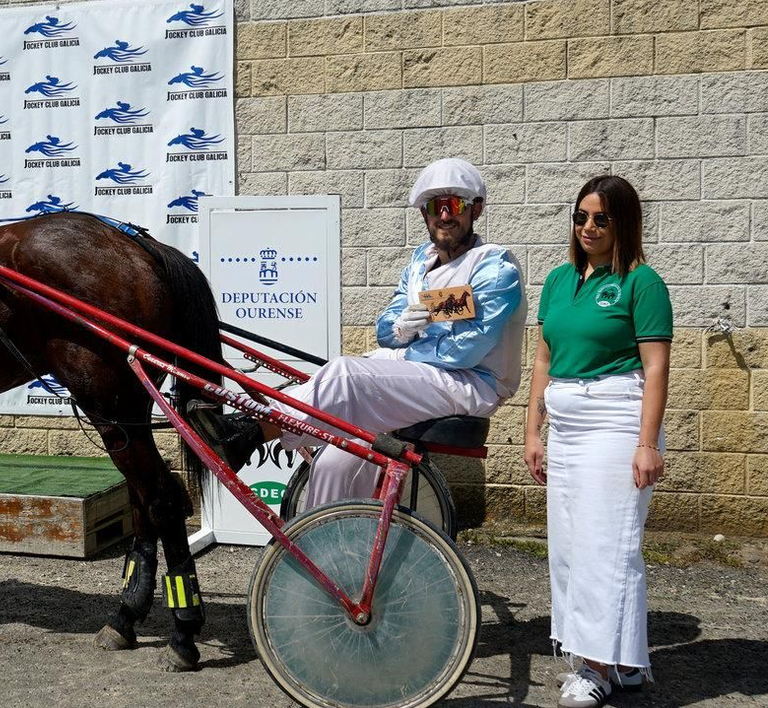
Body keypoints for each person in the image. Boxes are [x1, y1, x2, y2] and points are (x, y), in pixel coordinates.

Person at [196, 158, 526, 508]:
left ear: (476, 209)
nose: (444, 216)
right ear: (423, 214)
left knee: (346, 373)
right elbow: (385, 327)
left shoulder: (495, 267)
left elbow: (465, 353)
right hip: (424, 374)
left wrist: (406, 347)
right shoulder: (420, 261)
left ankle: (249, 432)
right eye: (434, 206)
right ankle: (316, 545)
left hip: (473, 382)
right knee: (334, 462)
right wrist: (400, 330)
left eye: (455, 205)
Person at [524, 175, 672, 708]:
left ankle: (597, 669)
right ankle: (623, 661)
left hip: (615, 421)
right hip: (565, 422)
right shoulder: (560, 281)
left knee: (606, 547)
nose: (588, 227)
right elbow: (543, 359)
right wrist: (533, 430)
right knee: (567, 548)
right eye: (581, 216)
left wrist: (646, 443)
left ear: (623, 224)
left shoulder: (642, 282)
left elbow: (656, 369)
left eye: (601, 219)